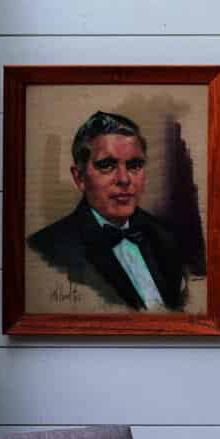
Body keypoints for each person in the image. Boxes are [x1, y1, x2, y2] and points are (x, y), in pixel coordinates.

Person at [27, 110, 188, 312]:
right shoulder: (46, 251)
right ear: (79, 178)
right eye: (107, 165)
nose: (124, 179)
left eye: (135, 165)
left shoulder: (165, 238)